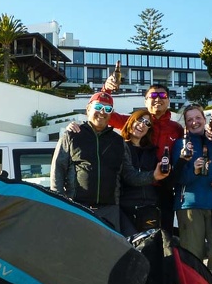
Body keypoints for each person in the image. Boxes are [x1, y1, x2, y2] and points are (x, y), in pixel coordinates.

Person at [70, 83, 183, 232]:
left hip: (163, 190)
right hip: (130, 192)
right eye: (153, 95)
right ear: (145, 101)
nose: (158, 99)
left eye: (162, 96)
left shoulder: (176, 128)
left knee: (164, 237)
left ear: (168, 100)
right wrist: (106, 90)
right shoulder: (132, 121)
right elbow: (104, 113)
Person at [170, 104, 212, 271]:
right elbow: (176, 179)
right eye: (189, 119)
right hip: (189, 205)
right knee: (193, 254)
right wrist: (194, 171)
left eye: (198, 118)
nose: (194, 122)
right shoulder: (180, 145)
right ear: (185, 123)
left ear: (204, 120)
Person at [119, 109, 164, 235]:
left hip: (149, 207)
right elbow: (129, 176)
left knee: (149, 248)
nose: (143, 124)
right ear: (131, 121)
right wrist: (153, 176)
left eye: (147, 123)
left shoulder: (152, 151)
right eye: (140, 120)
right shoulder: (119, 146)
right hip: (126, 207)